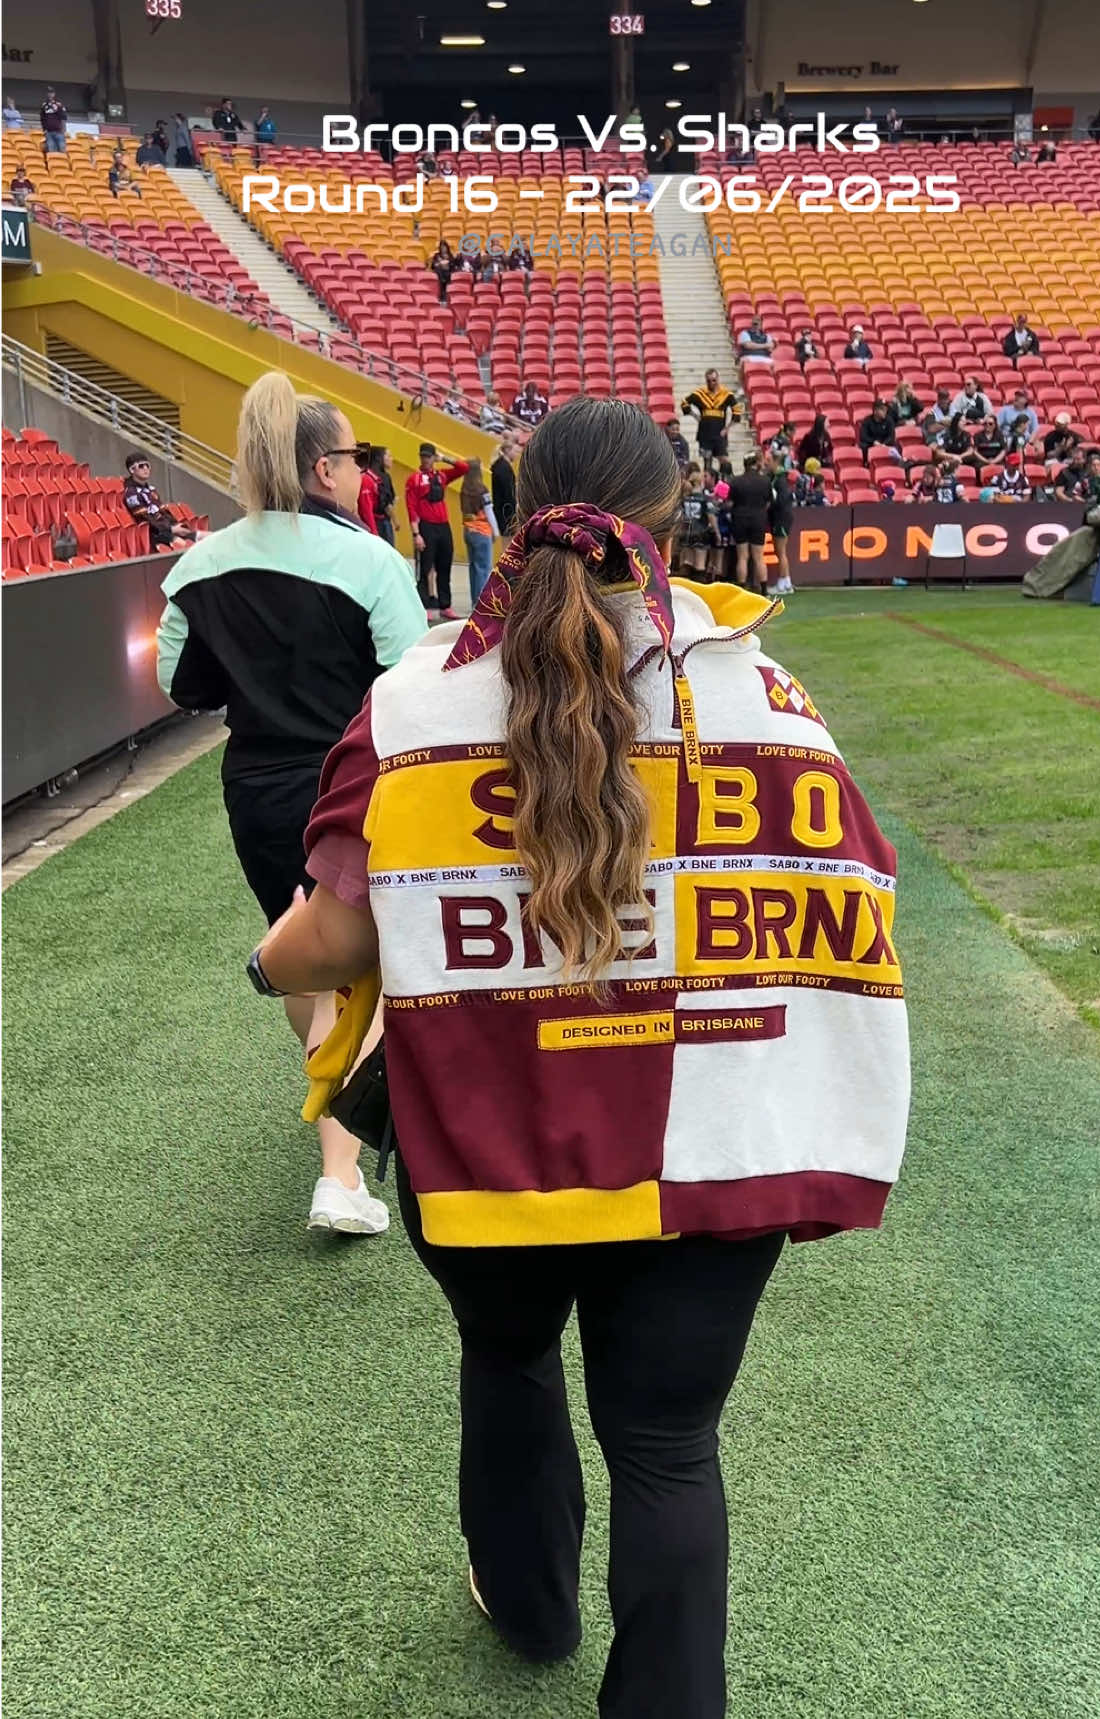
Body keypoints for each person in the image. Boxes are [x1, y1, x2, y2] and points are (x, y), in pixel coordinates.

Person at [251, 395, 907, 1719]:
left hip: (484, 1132)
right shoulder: (772, 700)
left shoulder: (416, 705)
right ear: (676, 529)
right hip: (718, 1130)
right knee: (668, 1446)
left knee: (507, 1358)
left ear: (501, 514)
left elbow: (328, 935)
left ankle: (534, 1604)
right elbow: (851, 892)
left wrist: (267, 969)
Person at [155, 373, 427, 1233]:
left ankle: (345, 1128)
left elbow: (179, 683)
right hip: (358, 783)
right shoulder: (370, 561)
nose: (360, 473)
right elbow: (413, 681)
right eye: (353, 458)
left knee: (302, 950)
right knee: (363, 963)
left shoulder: (198, 565)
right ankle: (343, 1167)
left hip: (258, 790)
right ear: (321, 469)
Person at [406, 441, 471, 620]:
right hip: (426, 526)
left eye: (429, 456)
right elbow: (411, 507)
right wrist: (416, 533)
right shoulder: (414, 479)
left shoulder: (441, 476)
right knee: (425, 567)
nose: (426, 460)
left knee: (444, 565)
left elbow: (464, 468)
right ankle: (423, 604)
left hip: (443, 526)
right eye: (423, 456)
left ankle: (445, 605)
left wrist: (443, 458)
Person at [122, 453, 196, 549]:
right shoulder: (131, 494)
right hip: (154, 533)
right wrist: (171, 529)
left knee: (202, 537)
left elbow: (163, 511)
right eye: (141, 466)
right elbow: (145, 518)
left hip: (166, 529)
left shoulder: (151, 490)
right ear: (132, 470)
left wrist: (175, 524)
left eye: (147, 465)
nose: (145, 468)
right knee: (188, 547)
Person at [728, 453, 773, 593]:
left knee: (742, 556)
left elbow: (730, 502)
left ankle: (741, 589)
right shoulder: (765, 481)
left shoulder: (736, 481)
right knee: (759, 557)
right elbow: (768, 502)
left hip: (740, 519)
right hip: (758, 519)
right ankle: (764, 589)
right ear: (756, 464)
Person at [680, 370, 741, 466]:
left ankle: (725, 480)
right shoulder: (700, 394)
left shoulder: (726, 394)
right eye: (708, 381)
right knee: (707, 462)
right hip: (704, 435)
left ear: (718, 379)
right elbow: (684, 402)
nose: (711, 383)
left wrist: (727, 428)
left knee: (724, 461)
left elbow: (737, 410)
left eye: (713, 380)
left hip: (720, 434)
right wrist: (694, 415)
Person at [460, 458, 499, 605]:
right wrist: (495, 531)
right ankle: (482, 603)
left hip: (469, 530)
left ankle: (474, 601)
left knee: (473, 567)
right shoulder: (482, 490)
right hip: (482, 531)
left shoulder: (464, 490)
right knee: (484, 568)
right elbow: (489, 512)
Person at [675, 471, 716, 579]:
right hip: (700, 532)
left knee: (687, 563)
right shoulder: (704, 499)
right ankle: (698, 588)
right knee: (699, 564)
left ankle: (685, 589)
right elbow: (711, 516)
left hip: (686, 532)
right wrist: (717, 532)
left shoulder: (684, 499)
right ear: (701, 482)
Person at [766, 451, 794, 595]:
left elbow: (781, 500)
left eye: (770, 461)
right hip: (781, 517)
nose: (767, 463)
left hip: (781, 518)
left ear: (776, 462)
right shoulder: (777, 478)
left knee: (781, 551)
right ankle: (787, 582)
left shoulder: (780, 481)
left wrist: (771, 504)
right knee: (780, 551)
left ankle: (783, 583)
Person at [367, 446, 396, 545]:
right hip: (381, 523)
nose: (392, 459)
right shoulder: (383, 478)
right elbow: (386, 504)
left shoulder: (367, 474)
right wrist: (396, 521)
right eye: (389, 455)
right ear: (379, 458)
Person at [858, 399, 902, 464]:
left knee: (896, 445)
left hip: (885, 444)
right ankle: (867, 464)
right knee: (863, 445)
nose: (885, 412)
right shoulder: (867, 421)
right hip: (871, 444)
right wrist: (873, 442)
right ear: (875, 410)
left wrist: (884, 444)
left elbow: (891, 436)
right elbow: (863, 436)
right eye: (882, 410)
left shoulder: (889, 420)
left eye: (886, 409)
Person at [491, 436, 518, 541]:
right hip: (505, 512)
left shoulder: (500, 466)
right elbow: (508, 493)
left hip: (503, 510)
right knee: (508, 543)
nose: (516, 454)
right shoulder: (504, 468)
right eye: (515, 451)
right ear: (507, 451)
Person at [356, 449, 380, 535]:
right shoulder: (365, 478)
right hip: (369, 523)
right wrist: (374, 531)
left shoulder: (370, 477)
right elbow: (366, 508)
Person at [39, 86, 68, 154]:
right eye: (48, 93)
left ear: (54, 94)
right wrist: (44, 130)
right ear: (47, 94)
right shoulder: (44, 105)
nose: (50, 95)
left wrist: (63, 130)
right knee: (51, 151)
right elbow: (42, 119)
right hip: (49, 132)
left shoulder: (59, 105)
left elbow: (64, 117)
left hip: (59, 131)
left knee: (61, 149)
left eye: (51, 93)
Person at [430, 238, 459, 303]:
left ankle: (446, 294)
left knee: (449, 274)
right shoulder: (437, 255)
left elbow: (453, 265)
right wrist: (439, 263)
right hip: (440, 273)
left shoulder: (450, 255)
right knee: (439, 271)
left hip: (448, 272)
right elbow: (433, 266)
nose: (443, 249)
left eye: (444, 247)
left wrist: (448, 263)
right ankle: (442, 294)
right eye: (442, 247)